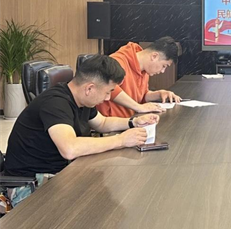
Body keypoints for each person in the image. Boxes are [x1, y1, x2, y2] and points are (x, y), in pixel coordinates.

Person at [3, 54, 159, 207]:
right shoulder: (56, 103)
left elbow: (102, 123)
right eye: (108, 92)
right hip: (29, 186)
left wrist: (133, 122)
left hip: (58, 175)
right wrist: (120, 140)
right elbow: (69, 148)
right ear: (89, 88)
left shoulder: (82, 100)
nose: (107, 98)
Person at [97, 36, 181, 118]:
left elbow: (141, 96)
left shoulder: (145, 70)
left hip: (131, 120)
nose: (162, 71)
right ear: (154, 56)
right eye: (164, 66)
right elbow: (108, 87)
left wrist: (158, 94)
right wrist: (138, 107)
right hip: (111, 123)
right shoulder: (118, 61)